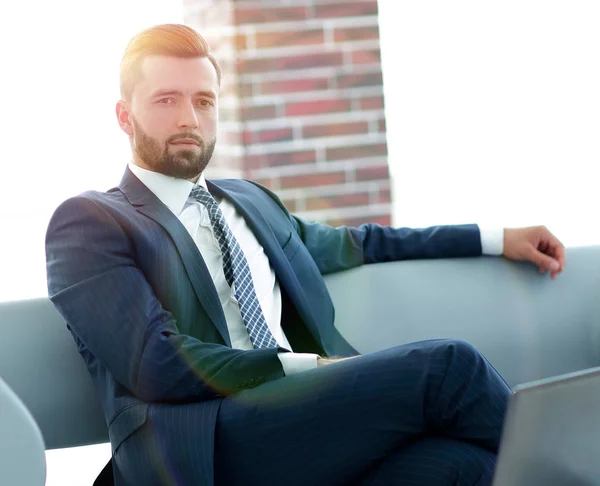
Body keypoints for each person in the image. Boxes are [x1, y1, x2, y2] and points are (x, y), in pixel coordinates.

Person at [45, 24, 566, 486]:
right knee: (451, 367)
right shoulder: (91, 222)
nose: (189, 118)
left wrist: (496, 238)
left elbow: (360, 243)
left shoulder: (249, 201)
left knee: (463, 468)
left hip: (305, 433)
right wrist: (306, 367)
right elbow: (155, 363)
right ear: (123, 115)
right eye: (167, 100)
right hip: (205, 445)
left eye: (204, 101)